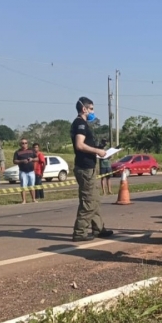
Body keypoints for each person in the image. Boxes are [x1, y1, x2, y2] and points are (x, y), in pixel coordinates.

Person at [70, 97, 114, 242]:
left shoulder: (82, 124)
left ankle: (98, 228)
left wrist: (99, 148)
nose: (93, 112)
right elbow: (80, 145)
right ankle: (80, 232)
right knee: (89, 202)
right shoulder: (80, 124)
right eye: (92, 109)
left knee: (94, 199)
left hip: (89, 167)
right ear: (84, 109)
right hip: (85, 168)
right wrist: (97, 151)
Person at [13, 138, 38, 204]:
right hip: (23, 171)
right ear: (20, 144)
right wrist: (22, 161)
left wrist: (32, 159)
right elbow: (14, 161)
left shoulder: (31, 151)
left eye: (25, 143)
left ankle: (34, 199)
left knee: (32, 186)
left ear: (27, 144)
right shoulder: (17, 152)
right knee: (23, 186)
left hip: (31, 171)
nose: (24, 144)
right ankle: (24, 200)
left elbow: (37, 158)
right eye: (22, 143)